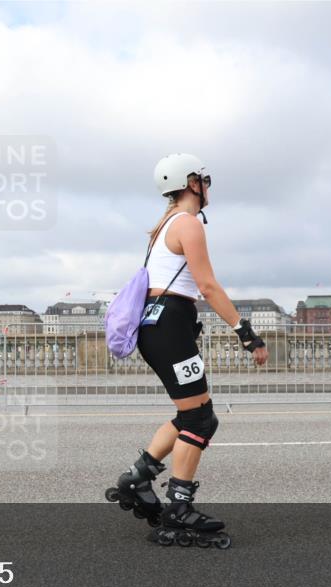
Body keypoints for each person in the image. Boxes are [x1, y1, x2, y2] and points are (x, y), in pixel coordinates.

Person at [108, 153, 268, 548]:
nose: (209, 187)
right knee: (200, 420)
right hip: (170, 325)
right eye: (205, 180)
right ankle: (179, 505)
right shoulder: (189, 224)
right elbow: (208, 286)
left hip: (157, 324)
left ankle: (138, 477)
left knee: (191, 414)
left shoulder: (163, 224)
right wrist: (246, 333)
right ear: (192, 183)